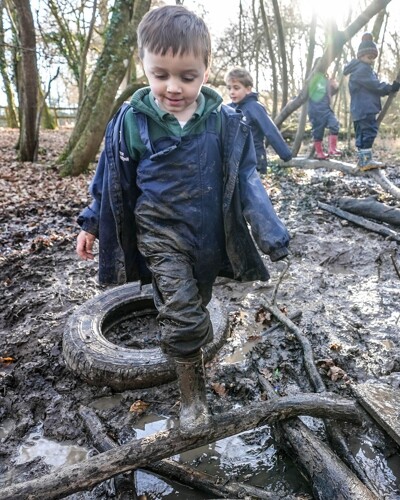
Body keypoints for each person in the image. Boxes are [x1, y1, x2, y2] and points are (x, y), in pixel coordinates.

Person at [76, 5, 290, 436]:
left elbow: (246, 176)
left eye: (187, 76)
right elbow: (110, 178)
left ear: (206, 70)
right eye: (161, 75)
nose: (173, 87)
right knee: (184, 313)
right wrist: (92, 221)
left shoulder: (225, 122)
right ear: (144, 66)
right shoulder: (131, 122)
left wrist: (269, 229)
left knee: (197, 298)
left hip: (208, 233)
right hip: (158, 230)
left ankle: (181, 328)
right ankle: (192, 394)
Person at [343, 32, 400, 171]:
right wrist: (391, 87)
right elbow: (375, 85)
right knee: (369, 131)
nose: (372, 60)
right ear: (361, 56)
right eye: (369, 57)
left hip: (358, 110)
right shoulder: (362, 69)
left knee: (361, 135)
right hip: (366, 108)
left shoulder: (358, 70)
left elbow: (371, 88)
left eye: (373, 57)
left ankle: (362, 161)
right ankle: (366, 161)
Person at [225, 68, 292, 174]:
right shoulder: (228, 109)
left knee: (252, 189)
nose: (231, 92)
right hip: (233, 162)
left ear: (248, 89)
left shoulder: (255, 107)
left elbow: (270, 130)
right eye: (229, 88)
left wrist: (285, 154)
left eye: (236, 88)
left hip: (254, 160)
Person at [307, 59, 341, 160]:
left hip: (326, 108)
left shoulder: (326, 79)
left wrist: (335, 87)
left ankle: (332, 148)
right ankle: (319, 153)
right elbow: (306, 94)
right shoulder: (312, 78)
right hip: (315, 110)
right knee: (318, 131)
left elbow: (328, 93)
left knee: (334, 124)